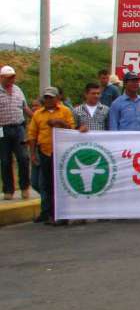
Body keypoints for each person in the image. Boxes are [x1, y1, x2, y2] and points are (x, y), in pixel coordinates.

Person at [26, 87, 74, 225]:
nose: (48, 100)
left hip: (61, 152)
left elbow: (71, 128)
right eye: (46, 97)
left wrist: (59, 123)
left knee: (59, 183)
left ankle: (61, 214)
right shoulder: (38, 114)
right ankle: (47, 212)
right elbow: (32, 134)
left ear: (57, 98)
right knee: (45, 183)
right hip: (45, 151)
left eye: (51, 97)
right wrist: (33, 153)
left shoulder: (65, 111)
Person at [0, 64, 31, 200]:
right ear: (2, 78)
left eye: (13, 77)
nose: (11, 80)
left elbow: (25, 108)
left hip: (19, 128)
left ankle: (24, 187)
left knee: (23, 158)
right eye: (9, 78)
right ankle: (8, 190)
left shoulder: (18, 90)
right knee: (6, 160)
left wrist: (36, 117)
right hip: (2, 129)